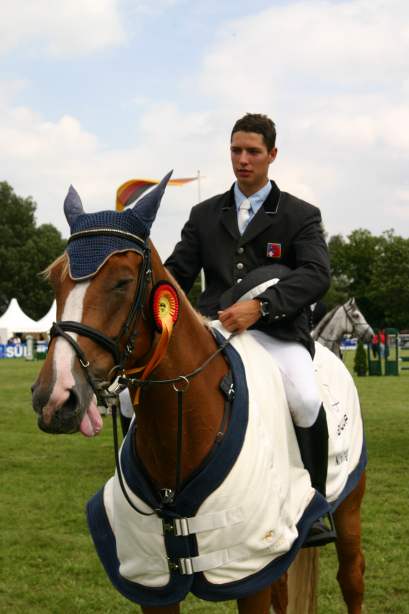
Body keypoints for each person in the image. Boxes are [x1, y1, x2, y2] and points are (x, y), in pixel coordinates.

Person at [165, 113, 333, 546]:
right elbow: (177, 274)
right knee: (136, 395)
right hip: (214, 330)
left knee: (305, 399)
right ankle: (154, 491)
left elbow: (316, 274)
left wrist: (262, 307)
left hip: (277, 333)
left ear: (272, 155)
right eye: (236, 150)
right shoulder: (204, 214)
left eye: (253, 152)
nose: (243, 160)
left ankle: (314, 506)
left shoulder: (300, 214)